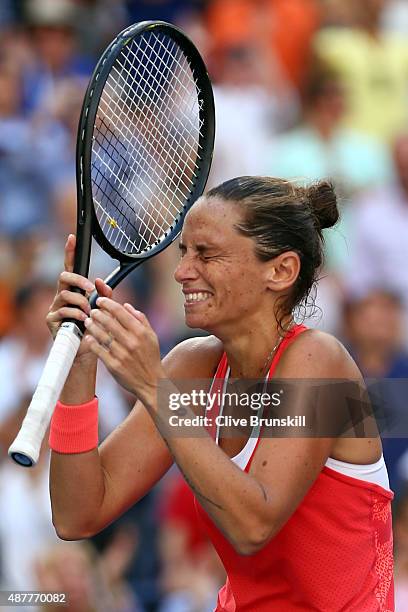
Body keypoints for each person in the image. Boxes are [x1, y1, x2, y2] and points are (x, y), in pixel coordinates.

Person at [47, 176, 394, 611]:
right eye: (183, 252)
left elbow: (253, 524)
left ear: (281, 270)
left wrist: (155, 389)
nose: (181, 271)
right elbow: (77, 515)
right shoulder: (191, 365)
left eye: (206, 254)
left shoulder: (319, 359)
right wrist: (80, 368)